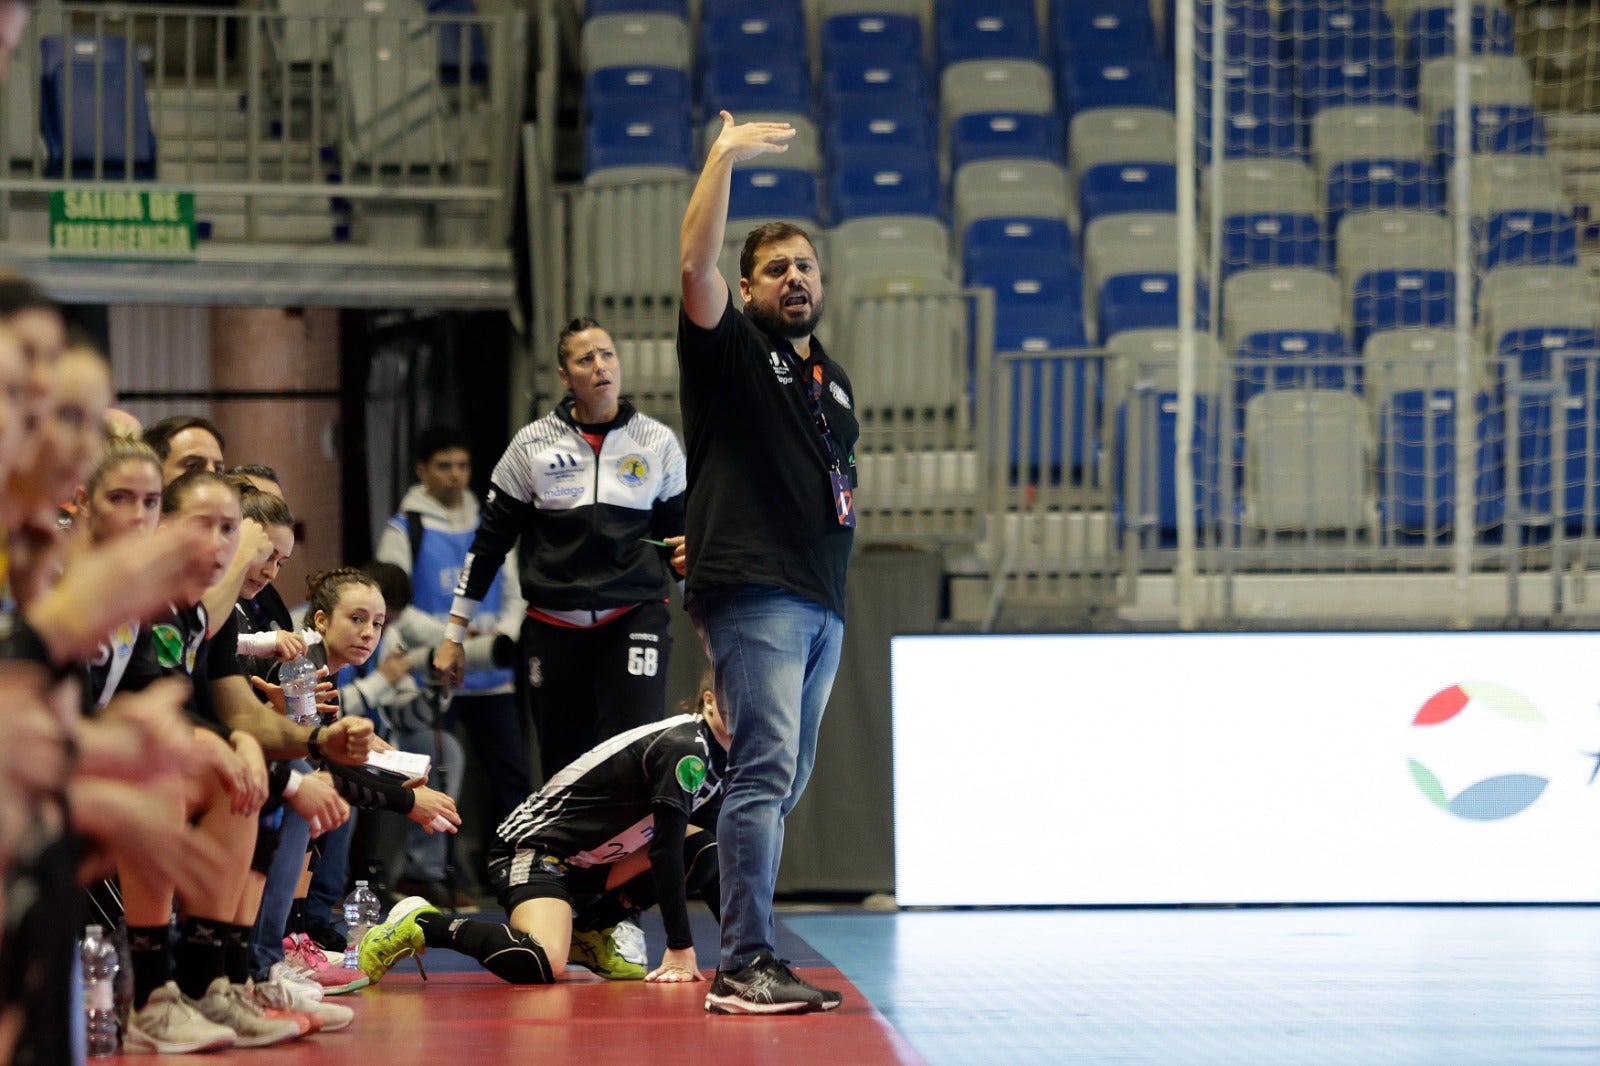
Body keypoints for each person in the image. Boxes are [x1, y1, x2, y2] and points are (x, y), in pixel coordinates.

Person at [676, 111, 860, 1014]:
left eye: (806, 265)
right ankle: (742, 963)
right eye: (776, 267)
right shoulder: (729, 351)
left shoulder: (831, 378)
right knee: (761, 770)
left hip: (821, 602)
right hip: (757, 594)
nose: (795, 276)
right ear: (747, 289)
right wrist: (721, 160)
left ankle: (748, 945)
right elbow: (691, 266)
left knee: (776, 781)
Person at [431, 322, 687, 783]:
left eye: (608, 355)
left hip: (633, 618)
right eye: (586, 359)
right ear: (565, 376)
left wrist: (715, 624)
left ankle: (630, 858)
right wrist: (454, 634)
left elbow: (682, 544)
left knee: (633, 761)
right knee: (565, 772)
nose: (601, 366)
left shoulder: (658, 444)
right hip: (554, 629)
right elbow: (488, 545)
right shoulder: (530, 446)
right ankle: (565, 857)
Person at [354, 673, 728, 988]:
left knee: (703, 849)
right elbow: (663, 850)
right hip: (532, 848)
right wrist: (680, 946)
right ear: (709, 700)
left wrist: (739, 956)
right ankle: (422, 923)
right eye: (739, 695)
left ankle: (588, 933)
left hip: (591, 859)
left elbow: (704, 852)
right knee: (542, 961)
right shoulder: (687, 747)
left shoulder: (727, 757)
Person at [375, 426, 527, 904]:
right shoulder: (405, 529)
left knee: (512, 781)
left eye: (463, 466)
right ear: (422, 470)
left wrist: (502, 634)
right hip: (431, 674)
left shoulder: (491, 523)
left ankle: (518, 878)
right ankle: (433, 875)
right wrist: (453, 637)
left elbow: (515, 593)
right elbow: (391, 602)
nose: (456, 476)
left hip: (492, 675)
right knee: (436, 775)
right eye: (445, 466)